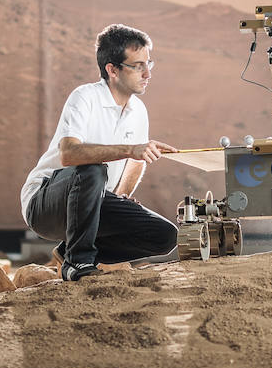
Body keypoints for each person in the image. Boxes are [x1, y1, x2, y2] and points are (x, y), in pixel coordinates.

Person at [21, 24, 180, 281]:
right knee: (94, 168)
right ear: (112, 69)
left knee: (165, 236)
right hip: (45, 204)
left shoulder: (138, 110)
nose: (148, 73)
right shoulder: (85, 97)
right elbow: (69, 154)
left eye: (149, 63)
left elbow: (135, 163)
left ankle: (71, 252)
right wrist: (131, 149)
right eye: (137, 65)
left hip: (91, 203)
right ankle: (78, 263)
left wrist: (121, 197)